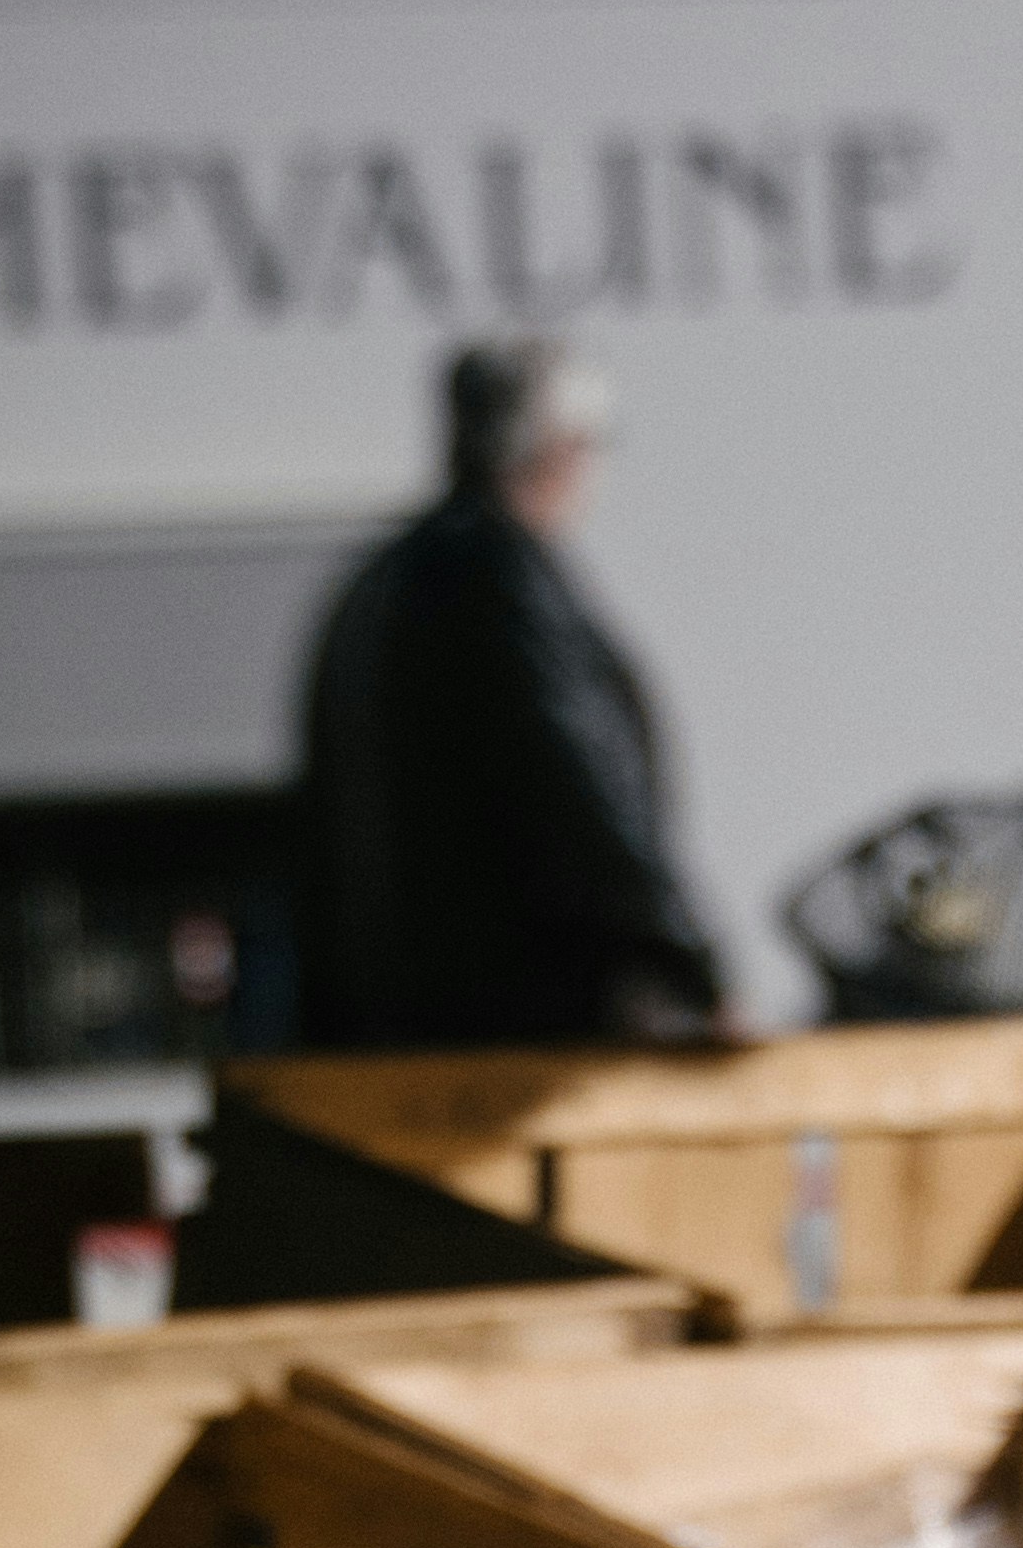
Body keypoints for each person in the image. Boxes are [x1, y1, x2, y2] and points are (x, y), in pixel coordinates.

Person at [293, 338, 733, 1049]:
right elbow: (576, 783)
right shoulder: (502, 581)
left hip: (391, 1027)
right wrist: (686, 966)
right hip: (516, 1031)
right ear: (561, 451)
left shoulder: (381, 585)